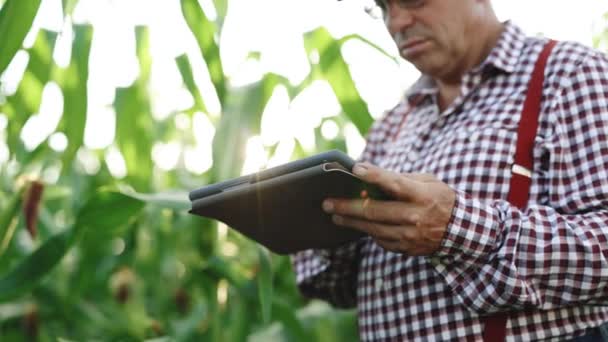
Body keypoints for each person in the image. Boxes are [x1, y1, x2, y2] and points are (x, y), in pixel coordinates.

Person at [292, 0, 608, 340]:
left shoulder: (570, 73)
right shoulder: (392, 125)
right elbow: (338, 290)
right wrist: (329, 221)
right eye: (382, 7)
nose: (396, 22)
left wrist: (456, 227)